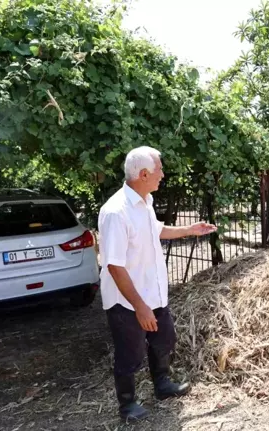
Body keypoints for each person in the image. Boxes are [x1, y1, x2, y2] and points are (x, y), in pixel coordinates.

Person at [98, 146, 216, 421]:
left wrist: (189, 230)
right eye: (159, 169)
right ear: (143, 174)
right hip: (127, 301)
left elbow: (157, 230)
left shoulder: (145, 201)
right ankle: (127, 405)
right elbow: (113, 265)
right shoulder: (116, 211)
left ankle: (162, 385)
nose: (162, 174)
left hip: (154, 293)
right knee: (131, 354)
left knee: (165, 339)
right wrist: (139, 306)